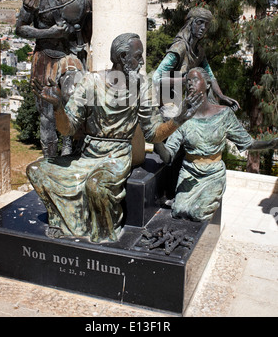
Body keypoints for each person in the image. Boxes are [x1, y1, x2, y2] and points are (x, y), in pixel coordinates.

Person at [27, 33, 203, 243]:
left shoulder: (141, 86)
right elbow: (68, 129)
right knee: (37, 171)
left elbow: (152, 133)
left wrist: (180, 118)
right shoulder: (90, 83)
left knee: (95, 186)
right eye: (138, 56)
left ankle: (100, 230)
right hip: (87, 156)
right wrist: (58, 108)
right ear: (122, 56)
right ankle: (61, 220)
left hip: (116, 156)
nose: (142, 62)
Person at [155, 67, 278, 222]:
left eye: (195, 79)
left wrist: (271, 143)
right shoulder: (183, 117)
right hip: (189, 173)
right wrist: (157, 142)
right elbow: (169, 155)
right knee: (179, 211)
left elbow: (248, 143)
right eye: (188, 81)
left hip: (213, 174)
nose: (190, 84)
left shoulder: (224, 114)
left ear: (207, 84)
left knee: (197, 213)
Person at [16, 0, 92, 159]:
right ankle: (50, 163)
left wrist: (77, 36)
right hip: (46, 60)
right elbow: (20, 29)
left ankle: (72, 156)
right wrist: (50, 32)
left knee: (76, 102)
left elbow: (89, 31)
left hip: (71, 58)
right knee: (48, 115)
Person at [153, 7, 239, 111]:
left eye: (206, 25)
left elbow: (210, 76)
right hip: (161, 101)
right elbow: (156, 78)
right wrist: (185, 80)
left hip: (178, 99)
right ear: (190, 24)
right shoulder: (180, 47)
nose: (203, 27)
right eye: (200, 22)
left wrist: (221, 96)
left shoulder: (199, 51)